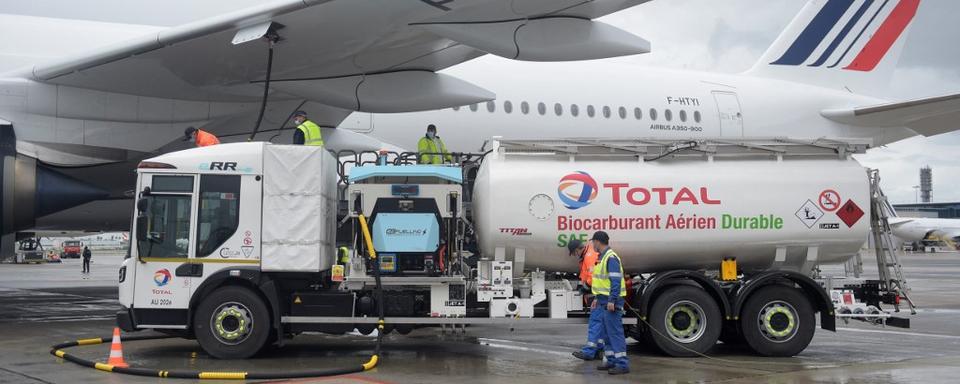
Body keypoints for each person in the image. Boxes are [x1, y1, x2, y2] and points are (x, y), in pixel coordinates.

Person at [590, 231, 629, 375]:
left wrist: (612, 300)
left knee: (615, 333)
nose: (592, 244)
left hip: (611, 301)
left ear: (598, 242)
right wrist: (596, 298)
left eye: (593, 241)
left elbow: (616, 281)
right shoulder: (602, 257)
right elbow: (602, 282)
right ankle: (612, 361)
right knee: (606, 334)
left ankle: (623, 364)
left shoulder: (610, 257)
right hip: (603, 300)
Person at [570, 239, 605, 362]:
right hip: (598, 293)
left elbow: (592, 276)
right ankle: (599, 350)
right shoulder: (588, 253)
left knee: (595, 324)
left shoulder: (589, 256)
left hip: (596, 294)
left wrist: (585, 288)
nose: (575, 256)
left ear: (578, 249)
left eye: (574, 253)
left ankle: (589, 352)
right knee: (599, 324)